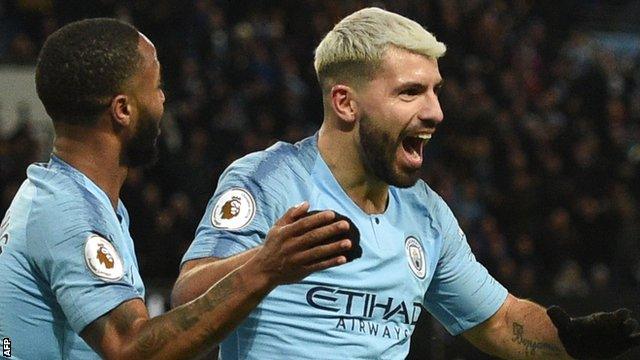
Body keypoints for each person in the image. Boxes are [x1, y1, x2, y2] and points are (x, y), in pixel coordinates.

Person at [172, 7, 640, 359]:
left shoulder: (426, 214)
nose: (435, 112)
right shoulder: (271, 180)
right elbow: (186, 297)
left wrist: (575, 339)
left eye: (435, 90)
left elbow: (500, 320)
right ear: (345, 103)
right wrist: (266, 265)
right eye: (411, 92)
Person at [0, 18, 354, 359]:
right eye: (155, 86)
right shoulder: (67, 209)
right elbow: (130, 349)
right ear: (122, 109)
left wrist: (268, 256)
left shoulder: (75, 199)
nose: (163, 99)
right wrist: (265, 267)